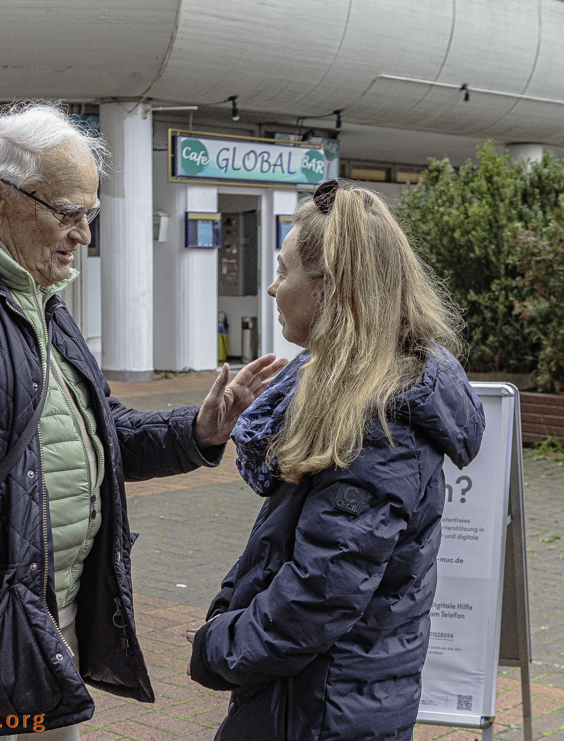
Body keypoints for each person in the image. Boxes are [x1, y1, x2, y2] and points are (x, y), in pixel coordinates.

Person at [0, 102, 287, 740]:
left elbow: (96, 435)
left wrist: (199, 431)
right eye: (68, 212)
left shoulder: (41, 300)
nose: (83, 233)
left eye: (90, 214)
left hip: (48, 619)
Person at [186, 180, 486, 740]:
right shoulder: (344, 393)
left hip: (324, 709)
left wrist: (219, 646)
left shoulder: (377, 422)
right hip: (317, 697)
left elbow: (319, 594)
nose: (273, 288)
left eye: (283, 270)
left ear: (327, 288)